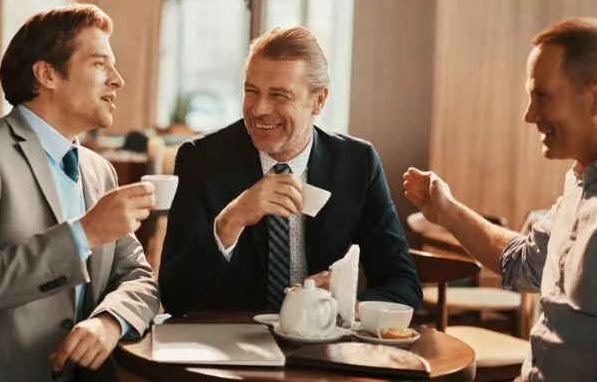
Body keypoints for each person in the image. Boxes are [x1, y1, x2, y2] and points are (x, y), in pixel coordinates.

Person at [0, 4, 160, 382]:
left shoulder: (99, 170)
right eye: (100, 64)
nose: (118, 79)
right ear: (47, 74)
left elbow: (139, 277)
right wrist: (84, 234)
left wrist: (110, 321)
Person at [403, 17, 597, 381]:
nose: (529, 115)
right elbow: (524, 263)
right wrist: (448, 212)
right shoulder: (582, 179)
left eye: (542, 96)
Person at [159, 26, 421, 316]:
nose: (258, 109)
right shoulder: (201, 159)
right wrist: (230, 221)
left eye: (279, 96)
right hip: (231, 343)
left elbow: (404, 286)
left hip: (323, 343)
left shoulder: (357, 163)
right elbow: (174, 297)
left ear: (318, 101)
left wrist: (347, 303)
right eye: (251, 91)